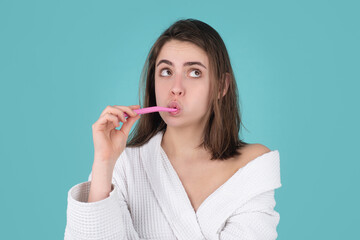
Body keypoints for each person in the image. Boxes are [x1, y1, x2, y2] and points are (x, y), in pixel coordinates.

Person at [64, 18, 281, 240]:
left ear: (221, 86)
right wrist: (103, 162)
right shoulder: (124, 165)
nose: (176, 88)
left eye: (194, 72)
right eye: (166, 72)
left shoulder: (251, 168)